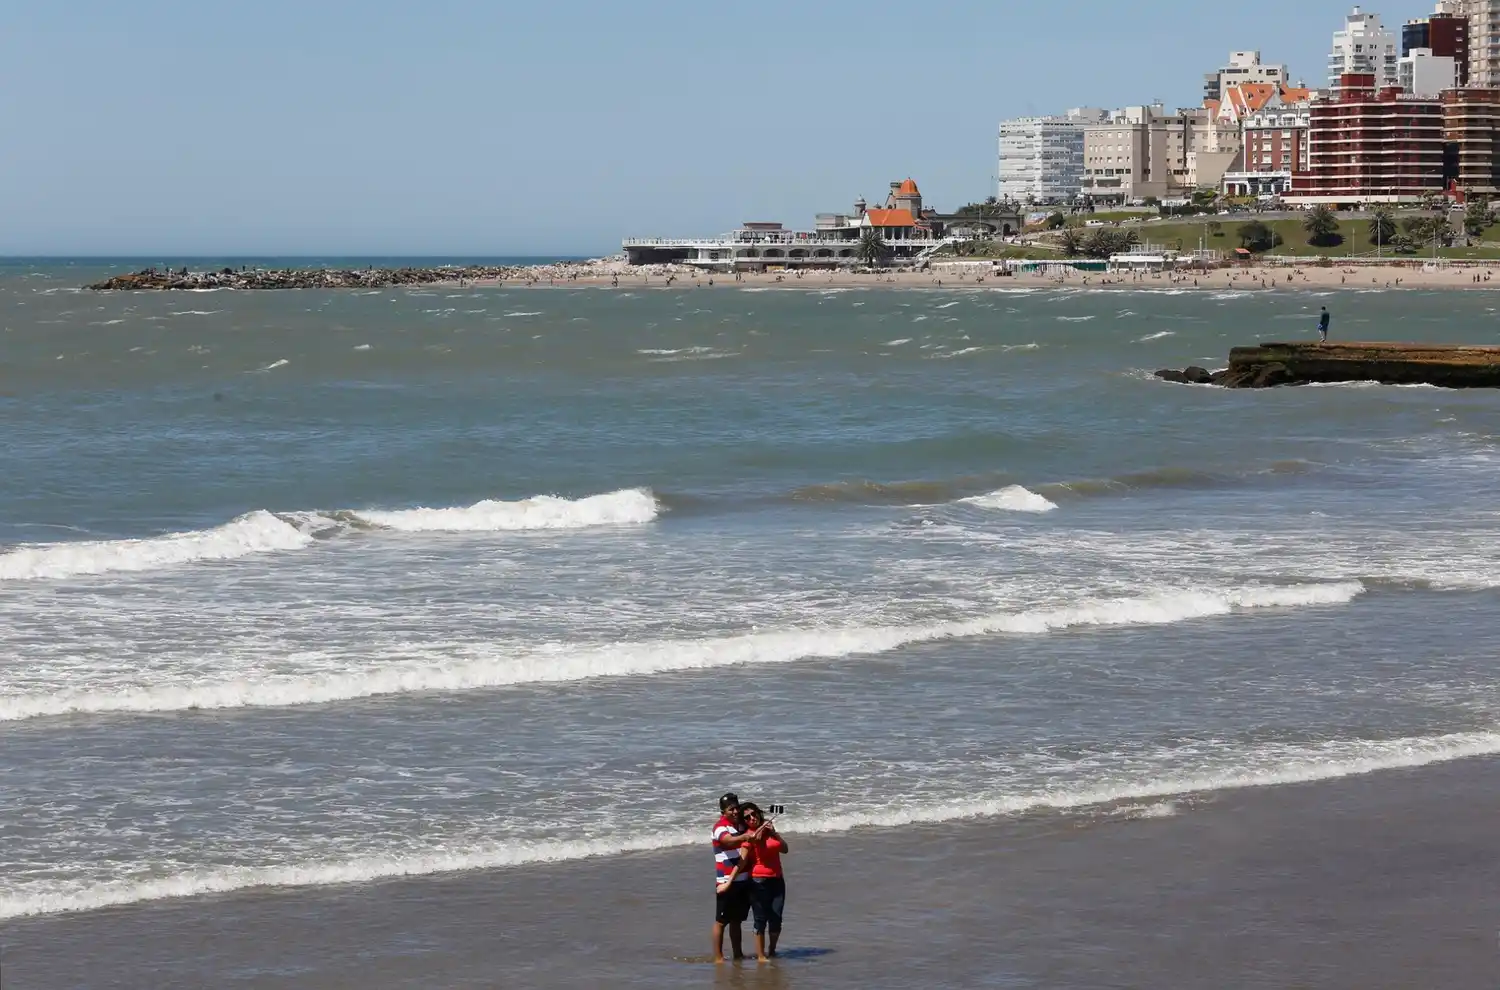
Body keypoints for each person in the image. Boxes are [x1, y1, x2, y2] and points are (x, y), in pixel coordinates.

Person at [711, 792, 766, 964]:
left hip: (744, 881)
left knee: (737, 921)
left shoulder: (741, 826)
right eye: (730, 809)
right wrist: (744, 837)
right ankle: (718, 958)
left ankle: (738, 954)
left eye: (736, 808)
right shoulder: (720, 827)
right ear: (723, 812)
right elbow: (728, 841)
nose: (735, 812)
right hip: (726, 882)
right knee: (721, 921)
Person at [739, 803, 789, 962]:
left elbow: (785, 849)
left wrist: (775, 833)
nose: (752, 818)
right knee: (760, 919)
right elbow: (742, 859)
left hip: (777, 879)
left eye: (754, 814)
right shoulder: (749, 835)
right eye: (747, 817)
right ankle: (761, 956)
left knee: (776, 919)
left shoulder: (769, 830)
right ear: (744, 821)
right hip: (758, 881)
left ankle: (772, 950)